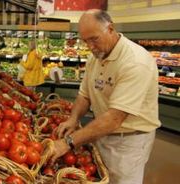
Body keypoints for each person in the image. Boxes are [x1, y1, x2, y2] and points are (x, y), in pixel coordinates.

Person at [49, 9, 161, 184]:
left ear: (110, 29)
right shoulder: (95, 57)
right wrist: (73, 119)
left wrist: (68, 142)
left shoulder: (135, 62)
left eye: (94, 39)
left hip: (129, 141)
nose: (90, 46)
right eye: (85, 41)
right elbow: (84, 95)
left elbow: (114, 118)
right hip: (102, 133)